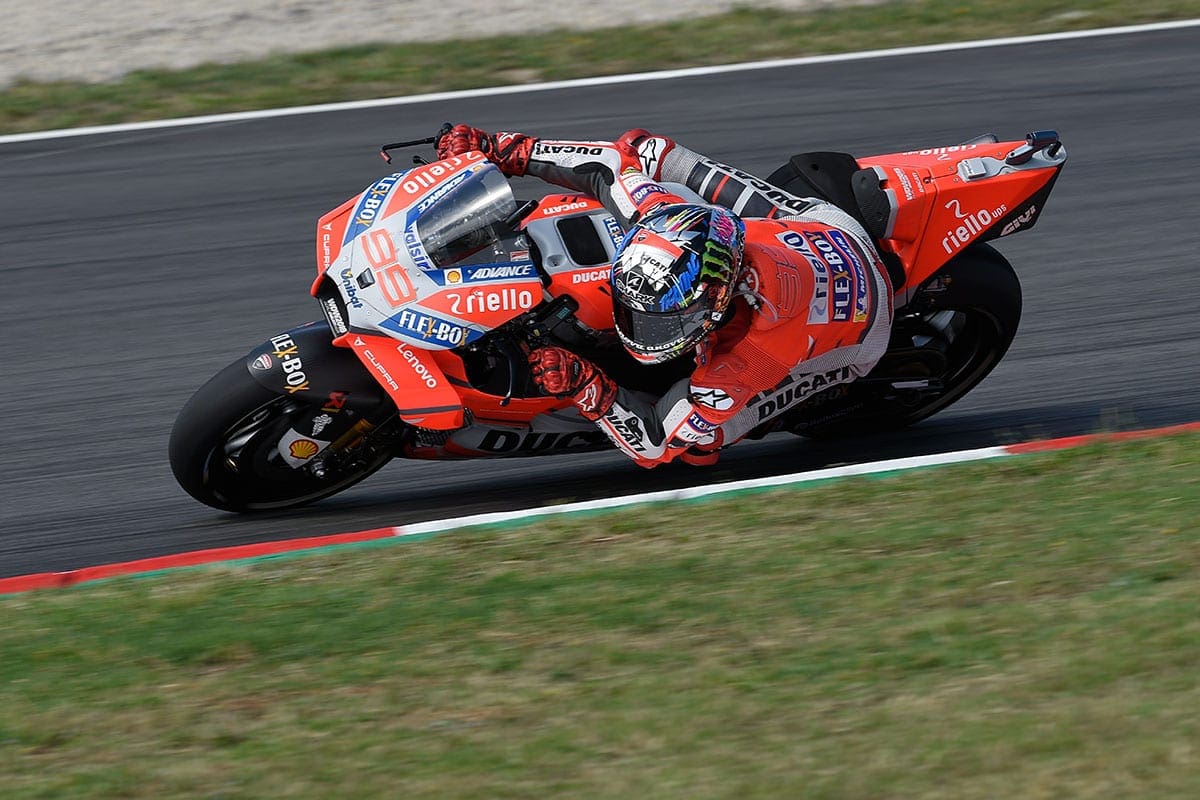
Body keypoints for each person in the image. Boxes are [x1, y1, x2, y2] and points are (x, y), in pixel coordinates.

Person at [436, 124, 894, 468]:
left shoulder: (757, 355)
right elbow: (610, 164)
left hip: (862, 329)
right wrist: (505, 149)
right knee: (648, 150)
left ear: (717, 302)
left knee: (701, 444)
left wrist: (585, 384)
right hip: (820, 230)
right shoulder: (663, 215)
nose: (639, 330)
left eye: (661, 320)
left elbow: (655, 444)